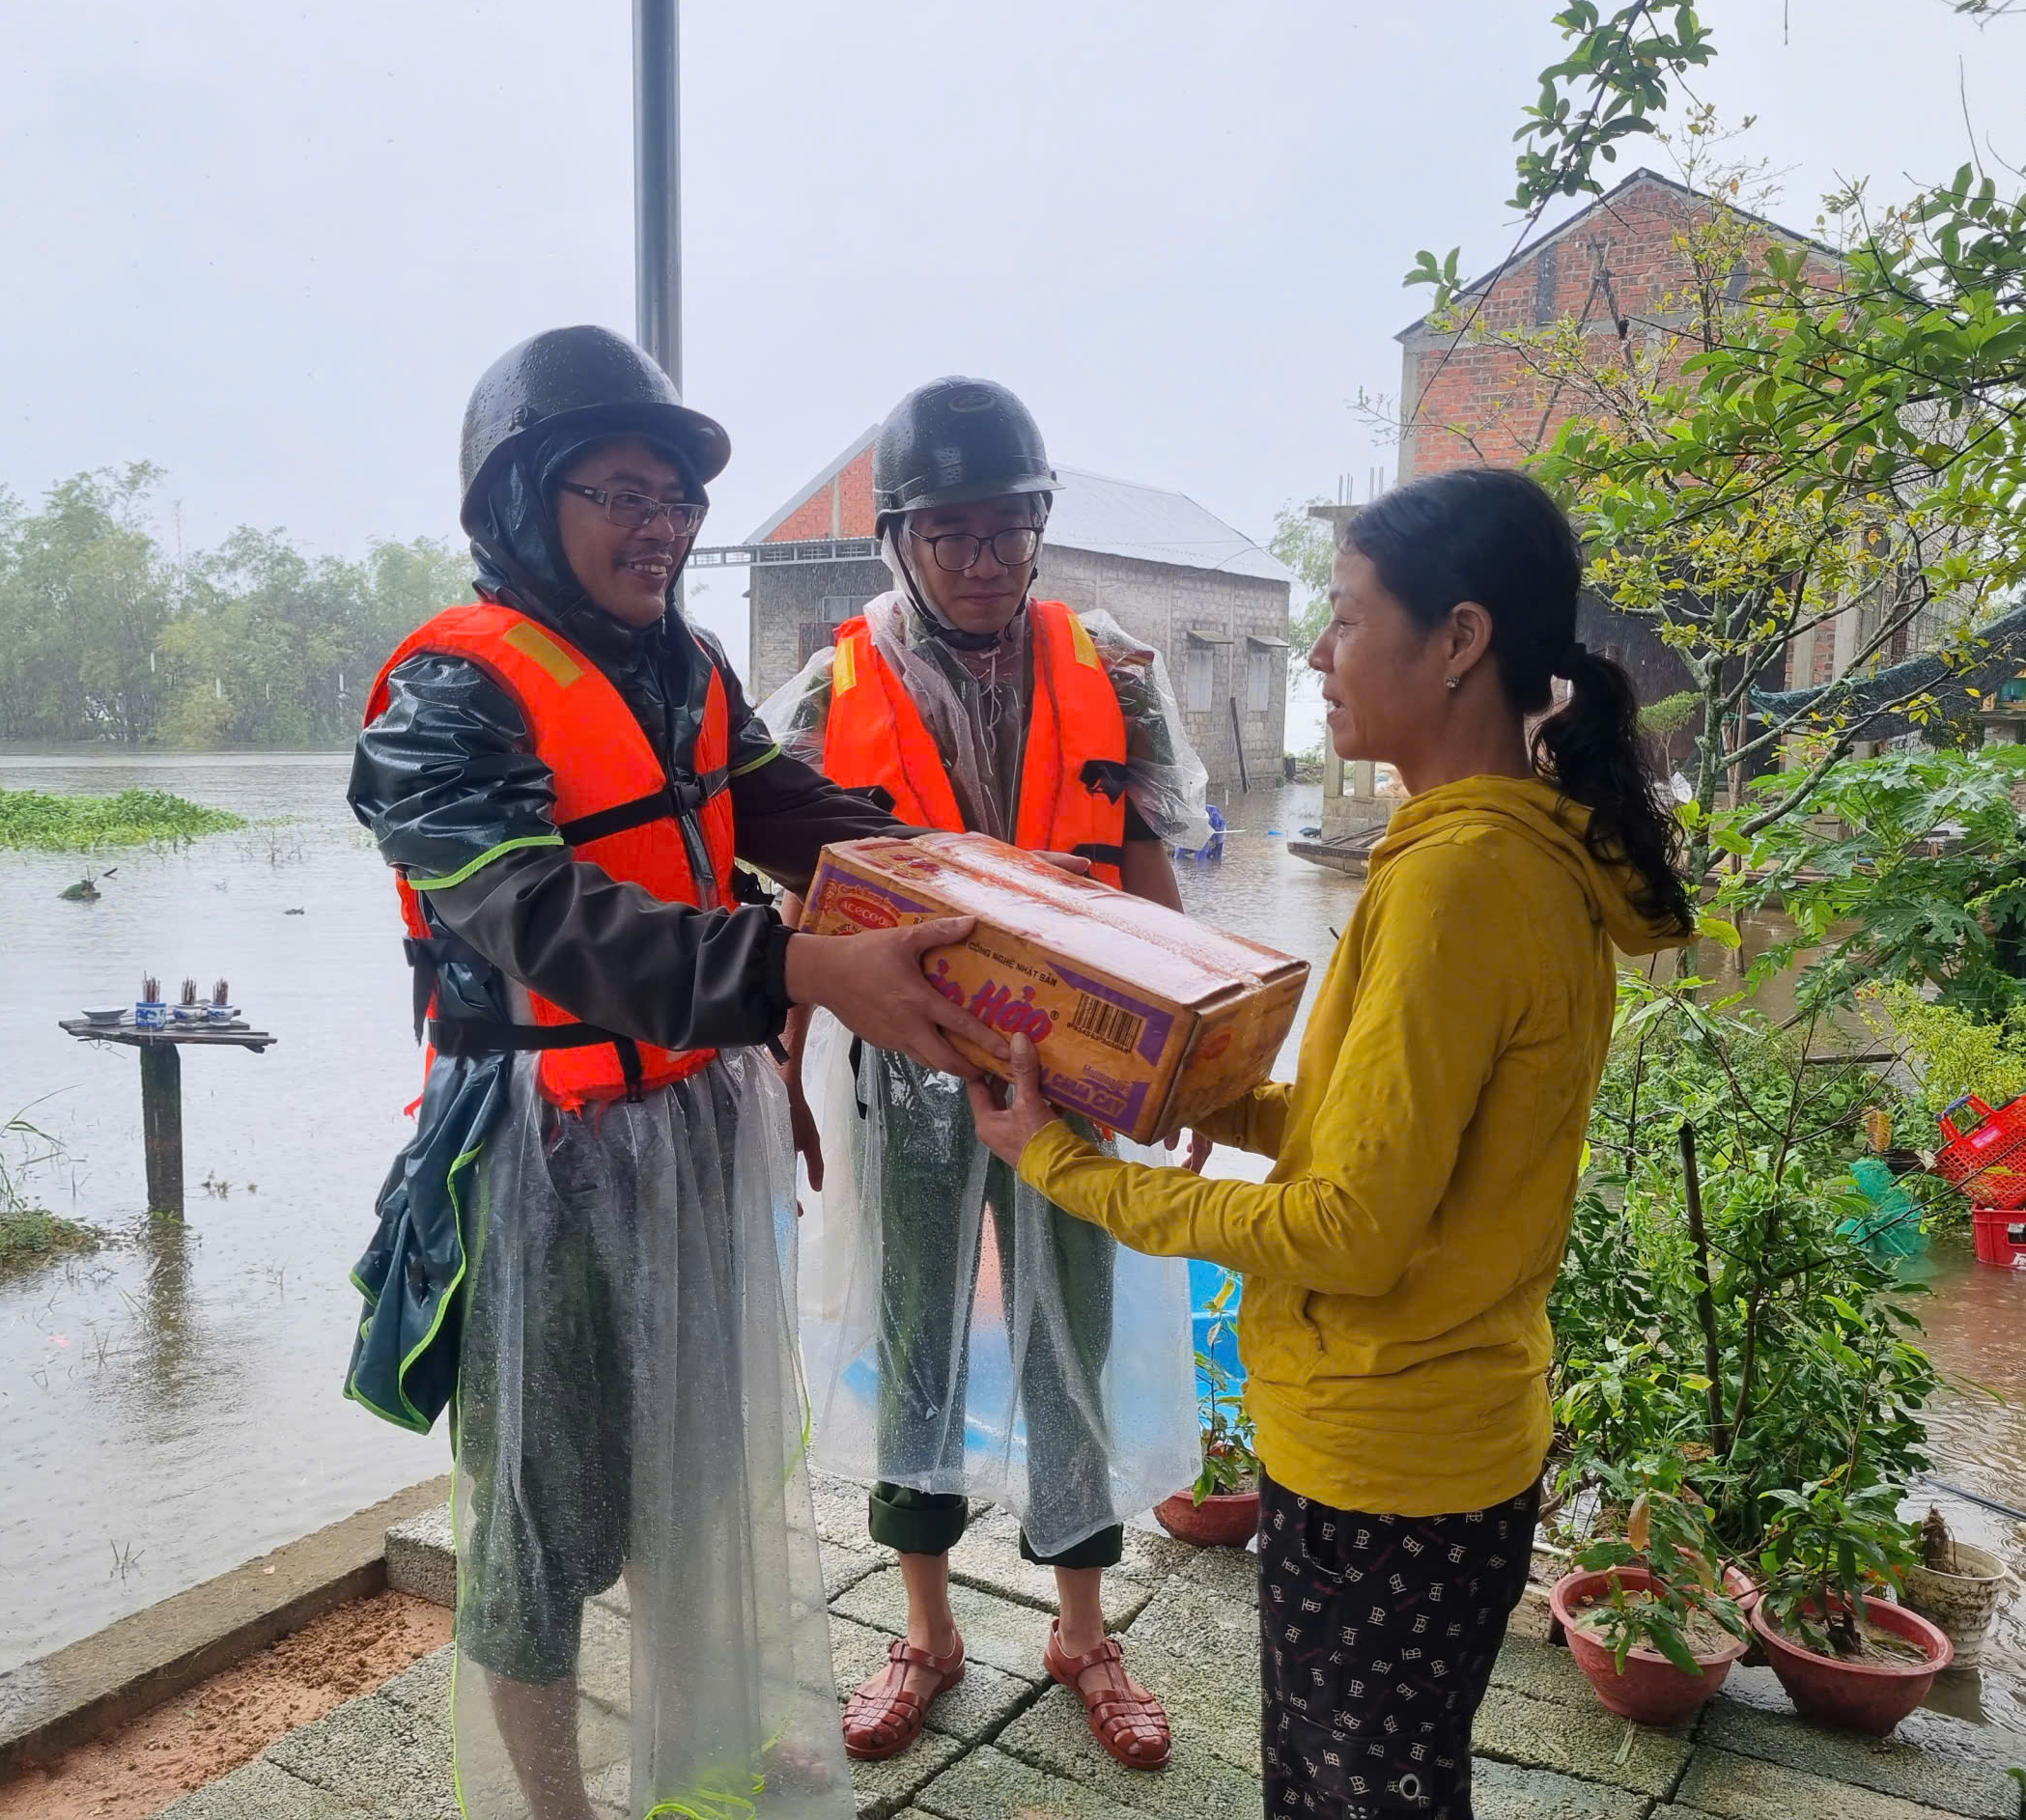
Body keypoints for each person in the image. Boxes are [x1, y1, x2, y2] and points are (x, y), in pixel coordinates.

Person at [345, 325, 1011, 1820]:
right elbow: (546, 924)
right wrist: (797, 971)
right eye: (622, 494)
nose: (662, 529)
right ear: (521, 499)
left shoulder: (687, 669)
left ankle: (700, 1739)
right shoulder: (444, 700)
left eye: (678, 501)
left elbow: (809, 817)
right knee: (544, 1509)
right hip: (542, 1145)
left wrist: (982, 888)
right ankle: (554, 1805)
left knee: (701, 1467)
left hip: (696, 1121)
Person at [963, 466, 1696, 1819]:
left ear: (1462, 638)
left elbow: (1348, 1231)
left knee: (1358, 1793)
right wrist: (1193, 1092)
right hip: (1434, 1437)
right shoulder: (1510, 855)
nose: (1315, 652)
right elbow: (1397, 1147)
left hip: (1390, 1461)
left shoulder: (1460, 881)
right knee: (1367, 1780)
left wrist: (1062, 1167)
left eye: (1349, 619)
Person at [758, 377, 1211, 1771]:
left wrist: (1188, 1058)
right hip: (911, 1068)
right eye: (948, 533)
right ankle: (928, 1632)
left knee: (1072, 1337)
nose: (980, 560)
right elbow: (798, 907)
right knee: (912, 1339)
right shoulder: (832, 694)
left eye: (1006, 529)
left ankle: (1083, 1632)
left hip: (1074, 1070)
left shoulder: (1118, 675)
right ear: (897, 537)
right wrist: (785, 1077)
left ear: (1037, 528)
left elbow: (1146, 876)